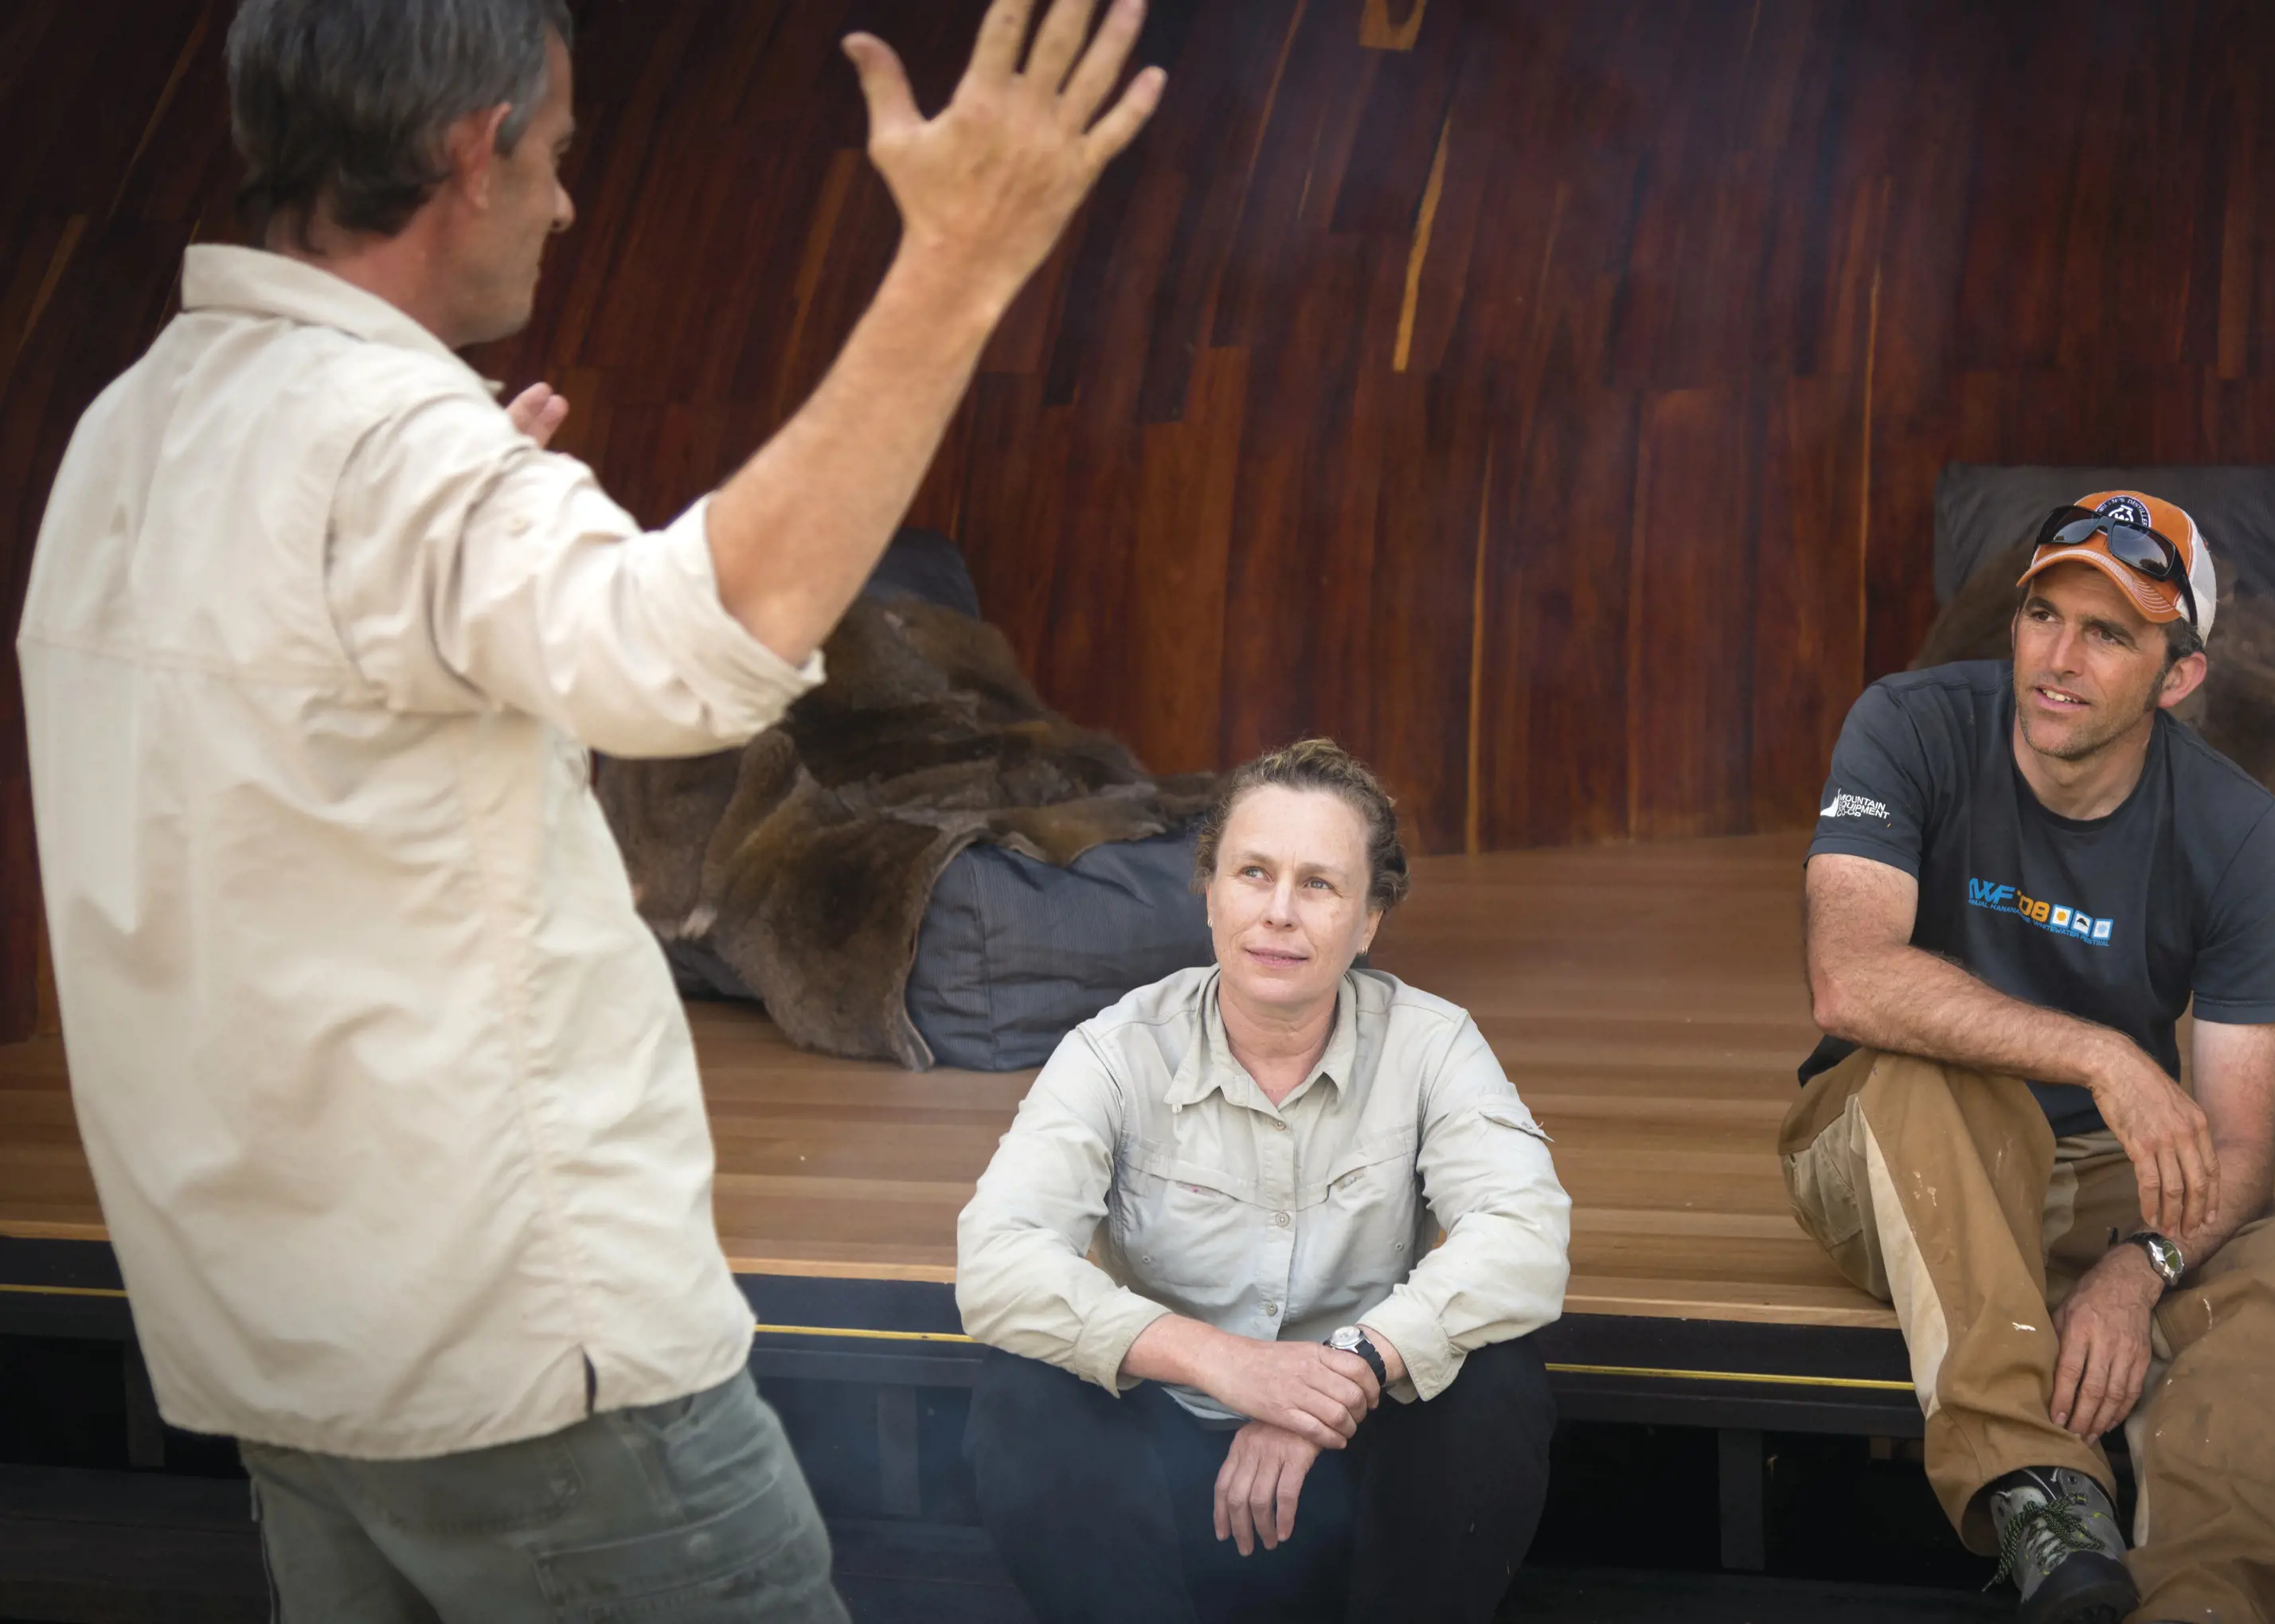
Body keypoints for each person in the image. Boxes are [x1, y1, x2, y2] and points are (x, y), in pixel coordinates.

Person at [17, 0, 1160, 1614]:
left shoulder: (129, 431)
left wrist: (447, 523)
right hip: (522, 1373)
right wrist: (959, 263)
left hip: (269, 1351)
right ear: (471, 155)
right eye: (554, 158)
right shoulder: (393, 456)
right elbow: (707, 650)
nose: (564, 206)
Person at [1784, 492, 2275, 1624]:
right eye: (2042, 615)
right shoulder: (1907, 726)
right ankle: (2041, 1492)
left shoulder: (2236, 832)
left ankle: (2207, 1606)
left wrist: (2137, 1267)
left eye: (2106, 634)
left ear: (2176, 674)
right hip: (1887, 1156)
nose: (2056, 658)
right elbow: (1847, 975)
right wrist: (2103, 1055)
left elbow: (2236, 1145)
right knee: (1922, 1074)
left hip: (2095, 1175)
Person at [956, 740, 1570, 1624]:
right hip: (1162, 1476)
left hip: (1356, 1474)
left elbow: (1525, 1236)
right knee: (1025, 1390)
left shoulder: (1431, 1043)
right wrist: (1229, 1365)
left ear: (1368, 921)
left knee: (1493, 1380)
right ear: (1207, 893)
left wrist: (1338, 1376)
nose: (1279, 911)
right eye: (1253, 872)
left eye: (1319, 884)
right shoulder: (1116, 1049)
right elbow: (996, 1260)